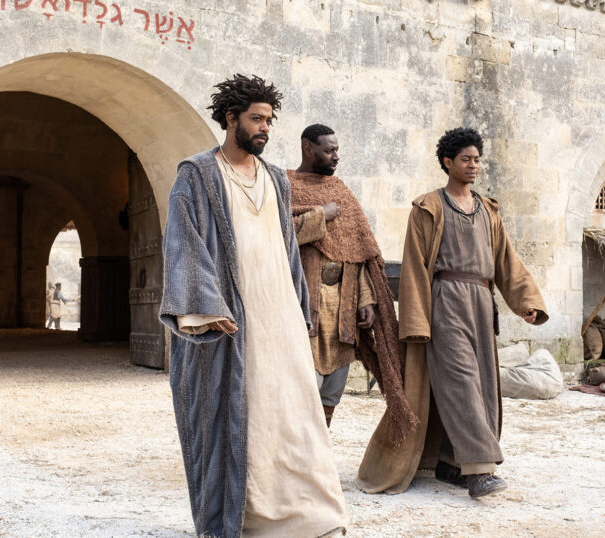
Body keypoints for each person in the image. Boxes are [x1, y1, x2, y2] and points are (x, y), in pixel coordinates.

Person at [159, 74, 346, 538]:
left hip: (278, 311)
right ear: (231, 118)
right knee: (236, 414)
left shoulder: (276, 178)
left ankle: (311, 516)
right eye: (256, 119)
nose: (264, 128)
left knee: (291, 412)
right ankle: (245, 518)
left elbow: (286, 247)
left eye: (269, 120)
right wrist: (205, 305)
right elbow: (182, 242)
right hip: (229, 318)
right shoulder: (198, 174)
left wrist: (299, 308)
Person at [357, 127, 548, 499]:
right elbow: (413, 267)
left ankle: (449, 463)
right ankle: (479, 470)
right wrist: (415, 320)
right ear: (448, 162)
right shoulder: (428, 208)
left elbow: (506, 261)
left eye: (477, 159)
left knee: (481, 385)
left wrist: (527, 302)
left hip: (480, 303)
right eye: (466, 159)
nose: (474, 165)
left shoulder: (488, 210)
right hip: (444, 303)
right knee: (459, 381)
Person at [288, 124, 412, 431]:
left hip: (343, 307)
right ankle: (299, 456)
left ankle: (318, 452)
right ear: (308, 149)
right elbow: (277, 233)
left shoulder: (341, 190)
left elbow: (359, 251)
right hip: (304, 304)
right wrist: (319, 216)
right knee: (302, 386)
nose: (336, 157)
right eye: (329, 150)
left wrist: (366, 301)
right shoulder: (286, 185)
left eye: (337, 150)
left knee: (332, 390)